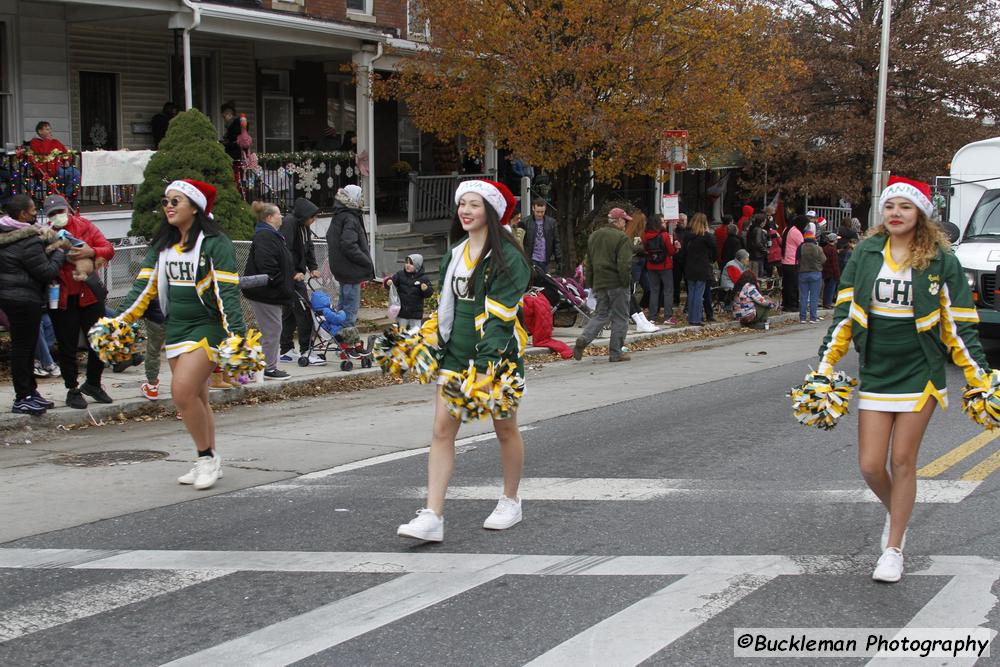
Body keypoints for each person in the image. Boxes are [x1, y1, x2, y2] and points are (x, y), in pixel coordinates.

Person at [817, 176, 991, 583]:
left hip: (921, 370)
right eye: (890, 206)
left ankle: (893, 548)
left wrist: (978, 375)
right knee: (871, 465)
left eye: (905, 207)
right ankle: (900, 514)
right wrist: (826, 366)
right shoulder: (865, 252)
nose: (896, 213)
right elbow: (844, 315)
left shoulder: (940, 260)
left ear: (921, 215)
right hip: (877, 368)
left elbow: (959, 324)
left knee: (902, 460)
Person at [396, 179, 531, 543]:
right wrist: (425, 342)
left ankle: (510, 500)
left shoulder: (510, 258)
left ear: (491, 211)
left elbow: (502, 319)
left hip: (497, 356)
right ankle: (433, 515)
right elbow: (445, 308)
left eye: (474, 204)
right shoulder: (456, 251)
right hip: (456, 353)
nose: (466, 211)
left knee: (504, 428)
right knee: (442, 430)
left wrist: (486, 368)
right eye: (462, 204)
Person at [117, 179, 246, 490]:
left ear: (195, 207)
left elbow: (227, 292)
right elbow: (142, 288)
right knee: (197, 397)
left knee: (182, 392)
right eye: (166, 202)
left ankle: (204, 458)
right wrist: (119, 321)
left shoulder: (215, 243)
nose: (169, 207)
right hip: (176, 326)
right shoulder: (163, 245)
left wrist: (236, 336)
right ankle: (210, 457)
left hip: (206, 326)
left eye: (176, 201)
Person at [43, 195, 116, 409]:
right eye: (52, 214)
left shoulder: (85, 226)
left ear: (68, 209)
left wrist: (91, 251)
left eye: (61, 211)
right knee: (67, 346)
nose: (58, 216)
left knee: (99, 340)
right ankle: (72, 389)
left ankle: (93, 383)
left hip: (89, 294)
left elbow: (107, 249)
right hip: (62, 298)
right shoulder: (45, 234)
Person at [0, 195, 68, 415]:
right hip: (23, 299)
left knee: (27, 348)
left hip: (10, 298)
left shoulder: (5, 233)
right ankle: (23, 396)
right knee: (24, 349)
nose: (34, 213)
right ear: (22, 215)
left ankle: (30, 391)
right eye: (31, 210)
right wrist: (59, 251)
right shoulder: (28, 240)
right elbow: (46, 271)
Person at [572, 208, 634, 361]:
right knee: (620, 317)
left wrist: (591, 283)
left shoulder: (594, 236)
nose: (625, 224)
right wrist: (626, 283)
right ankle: (616, 352)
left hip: (600, 282)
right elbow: (624, 264)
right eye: (624, 221)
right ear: (618, 221)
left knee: (601, 315)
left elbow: (589, 263)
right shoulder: (622, 238)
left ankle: (584, 339)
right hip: (617, 283)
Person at [244, 201, 295, 380]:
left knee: (272, 328)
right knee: (272, 329)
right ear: (269, 217)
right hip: (266, 292)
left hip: (269, 291)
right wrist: (281, 282)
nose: (281, 216)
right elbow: (267, 265)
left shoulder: (270, 234)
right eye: (278, 213)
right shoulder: (266, 236)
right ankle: (268, 367)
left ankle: (265, 365)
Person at [278, 197, 323, 365]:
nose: (314, 220)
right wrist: (293, 272)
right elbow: (286, 250)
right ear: (305, 215)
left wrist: (313, 267)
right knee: (304, 311)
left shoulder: (305, 227)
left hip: (298, 274)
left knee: (289, 312)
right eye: (312, 217)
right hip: (291, 276)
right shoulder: (290, 224)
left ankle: (286, 349)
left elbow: (308, 247)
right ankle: (306, 349)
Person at [326, 184, 374, 326]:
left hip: (343, 269)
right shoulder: (350, 217)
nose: (363, 200)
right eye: (361, 196)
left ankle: (341, 339)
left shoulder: (340, 215)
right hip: (351, 270)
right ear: (354, 198)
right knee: (349, 310)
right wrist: (366, 261)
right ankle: (347, 344)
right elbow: (349, 245)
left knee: (342, 307)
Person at [28, 121, 81, 200]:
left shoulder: (55, 142)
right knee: (62, 174)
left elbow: (65, 153)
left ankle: (67, 196)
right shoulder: (35, 142)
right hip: (45, 170)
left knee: (76, 173)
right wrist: (47, 140)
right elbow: (43, 152)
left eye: (50, 129)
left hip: (59, 167)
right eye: (47, 129)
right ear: (40, 131)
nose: (50, 131)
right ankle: (59, 197)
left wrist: (66, 160)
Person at [624, 211, 657, 332]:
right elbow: (634, 248)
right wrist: (644, 247)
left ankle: (640, 311)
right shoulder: (632, 234)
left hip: (642, 262)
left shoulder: (642, 234)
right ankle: (634, 314)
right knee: (632, 289)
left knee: (648, 288)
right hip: (635, 262)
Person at [642, 213, 677, 324]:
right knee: (668, 291)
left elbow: (644, 250)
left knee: (654, 291)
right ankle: (668, 317)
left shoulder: (645, 235)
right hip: (665, 265)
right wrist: (676, 247)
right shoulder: (665, 235)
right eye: (662, 221)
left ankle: (652, 317)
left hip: (651, 265)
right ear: (658, 224)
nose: (665, 223)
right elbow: (671, 252)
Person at [684, 213, 717, 326]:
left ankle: (691, 317)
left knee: (692, 293)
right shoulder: (707, 237)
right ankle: (696, 318)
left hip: (690, 267)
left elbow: (684, 252)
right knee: (699, 294)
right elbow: (715, 250)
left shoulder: (688, 236)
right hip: (702, 267)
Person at [384, 253, 432, 330]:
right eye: (406, 262)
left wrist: (426, 289)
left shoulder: (423, 278)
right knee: (401, 332)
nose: (407, 265)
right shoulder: (400, 275)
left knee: (415, 333)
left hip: (416, 313)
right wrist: (388, 282)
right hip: (402, 312)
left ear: (417, 265)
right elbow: (391, 283)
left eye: (411, 263)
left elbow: (429, 293)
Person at [521, 198, 561, 274]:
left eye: (542, 212)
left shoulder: (552, 223)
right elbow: (520, 242)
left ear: (545, 209)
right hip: (531, 259)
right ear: (533, 208)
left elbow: (556, 242)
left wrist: (559, 260)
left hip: (545, 260)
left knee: (544, 282)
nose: (540, 214)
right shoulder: (525, 222)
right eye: (538, 212)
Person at [797, 229, 824, 323]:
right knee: (814, 296)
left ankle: (802, 318)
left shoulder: (801, 247)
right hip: (815, 273)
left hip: (803, 273)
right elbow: (824, 260)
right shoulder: (818, 248)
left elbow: (797, 259)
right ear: (813, 238)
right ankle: (813, 317)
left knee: (803, 296)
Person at [781, 214, 806, 311]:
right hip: (792, 262)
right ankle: (793, 304)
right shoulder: (796, 232)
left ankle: (786, 303)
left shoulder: (787, 229)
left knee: (786, 284)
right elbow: (802, 245)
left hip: (784, 260)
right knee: (793, 284)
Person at [672, 213, 688, 306]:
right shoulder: (674, 231)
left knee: (687, 281)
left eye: (683, 220)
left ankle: (688, 302)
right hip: (676, 259)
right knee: (676, 281)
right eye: (680, 220)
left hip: (686, 260)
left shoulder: (689, 231)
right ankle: (676, 300)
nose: (681, 222)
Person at [821, 232, 841, 308]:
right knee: (831, 288)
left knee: (826, 288)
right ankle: (828, 303)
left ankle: (825, 302)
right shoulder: (833, 249)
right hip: (832, 272)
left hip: (825, 271)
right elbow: (834, 263)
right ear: (834, 240)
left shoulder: (825, 248)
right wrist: (837, 274)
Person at [746, 213, 769, 277]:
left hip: (753, 254)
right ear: (762, 222)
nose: (765, 223)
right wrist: (765, 250)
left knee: (754, 272)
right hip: (758, 255)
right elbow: (758, 243)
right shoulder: (758, 229)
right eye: (765, 221)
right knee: (758, 273)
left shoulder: (752, 228)